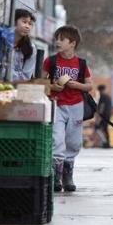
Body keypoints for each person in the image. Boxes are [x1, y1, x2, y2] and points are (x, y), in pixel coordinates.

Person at [43, 25, 94, 192]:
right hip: (56, 104)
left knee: (73, 142)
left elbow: (89, 86)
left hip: (76, 106)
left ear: (72, 43)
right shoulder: (50, 61)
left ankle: (68, 175)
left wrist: (76, 85)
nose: (57, 42)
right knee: (57, 139)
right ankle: (56, 177)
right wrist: (52, 86)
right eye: (56, 39)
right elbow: (40, 82)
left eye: (62, 39)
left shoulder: (81, 63)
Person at [11, 9, 36, 81]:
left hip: (18, 85)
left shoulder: (31, 48)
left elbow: (26, 76)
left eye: (30, 24)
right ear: (14, 22)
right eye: (24, 22)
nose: (27, 26)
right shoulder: (2, 42)